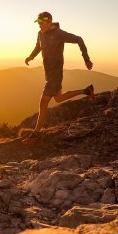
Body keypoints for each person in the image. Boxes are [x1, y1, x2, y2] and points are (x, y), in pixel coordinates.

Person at [23, 11, 95, 144]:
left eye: (41, 23)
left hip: (55, 74)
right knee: (58, 98)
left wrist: (86, 59)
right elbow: (38, 47)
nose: (39, 26)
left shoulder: (59, 34)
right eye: (38, 23)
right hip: (49, 73)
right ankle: (86, 91)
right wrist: (31, 56)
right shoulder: (40, 33)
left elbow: (79, 39)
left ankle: (35, 134)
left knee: (43, 102)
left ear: (49, 22)